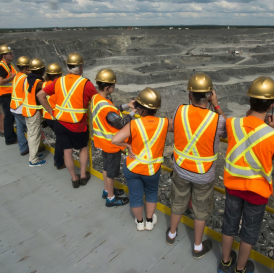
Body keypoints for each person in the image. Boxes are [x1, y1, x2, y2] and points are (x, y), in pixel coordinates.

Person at [218, 76, 274, 273]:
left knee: (229, 224)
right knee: (249, 232)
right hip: (257, 192)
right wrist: (269, 128)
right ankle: (240, 269)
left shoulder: (233, 123)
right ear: (272, 105)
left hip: (232, 186)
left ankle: (225, 263)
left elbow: (235, 130)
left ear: (249, 101)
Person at [166, 72, 227, 259]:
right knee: (201, 209)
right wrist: (216, 105)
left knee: (178, 201)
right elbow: (229, 133)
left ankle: (172, 234)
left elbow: (174, 127)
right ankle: (198, 246)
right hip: (204, 174)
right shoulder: (218, 120)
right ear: (209, 95)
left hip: (181, 169)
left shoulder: (179, 110)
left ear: (189, 95)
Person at [112, 88, 169, 230]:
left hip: (133, 167)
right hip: (152, 169)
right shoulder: (164, 123)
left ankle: (139, 222)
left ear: (142, 110)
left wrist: (127, 145)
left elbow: (115, 140)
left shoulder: (134, 124)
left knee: (135, 194)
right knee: (151, 193)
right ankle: (149, 221)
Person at [37, 53, 96, 188]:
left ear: (67, 67)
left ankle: (74, 179)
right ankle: (82, 175)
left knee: (67, 152)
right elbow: (97, 101)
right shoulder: (86, 83)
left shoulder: (59, 81)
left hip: (60, 123)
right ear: (80, 68)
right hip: (78, 125)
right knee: (83, 149)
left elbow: (40, 95)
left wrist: (51, 112)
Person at [90, 68, 135, 206]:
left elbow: (112, 110)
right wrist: (133, 112)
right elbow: (120, 122)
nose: (114, 88)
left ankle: (106, 190)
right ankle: (111, 198)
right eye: (113, 86)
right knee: (110, 172)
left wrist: (126, 105)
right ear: (108, 87)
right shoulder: (106, 107)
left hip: (103, 142)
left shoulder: (96, 98)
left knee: (105, 168)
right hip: (112, 145)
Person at [22, 58, 46, 167]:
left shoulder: (28, 79)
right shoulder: (38, 83)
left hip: (27, 109)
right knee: (34, 135)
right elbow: (49, 87)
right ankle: (33, 160)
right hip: (33, 111)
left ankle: (34, 154)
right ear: (41, 70)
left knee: (32, 133)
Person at [42, 62, 65, 170]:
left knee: (60, 138)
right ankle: (59, 162)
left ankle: (59, 160)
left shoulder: (44, 84)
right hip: (55, 117)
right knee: (61, 140)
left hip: (47, 116)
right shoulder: (55, 86)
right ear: (57, 76)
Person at [0, 44, 17, 144]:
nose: (12, 55)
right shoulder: (1, 67)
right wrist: (12, 77)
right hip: (5, 95)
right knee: (8, 117)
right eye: (10, 53)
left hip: (10, 94)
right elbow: (0, 81)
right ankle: (9, 139)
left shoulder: (9, 65)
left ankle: (11, 135)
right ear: (4, 55)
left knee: (11, 117)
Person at [10, 55, 30, 156]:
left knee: (20, 129)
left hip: (14, 106)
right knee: (31, 129)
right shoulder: (25, 78)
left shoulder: (17, 76)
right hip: (21, 108)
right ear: (26, 68)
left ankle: (23, 148)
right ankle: (34, 148)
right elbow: (28, 94)